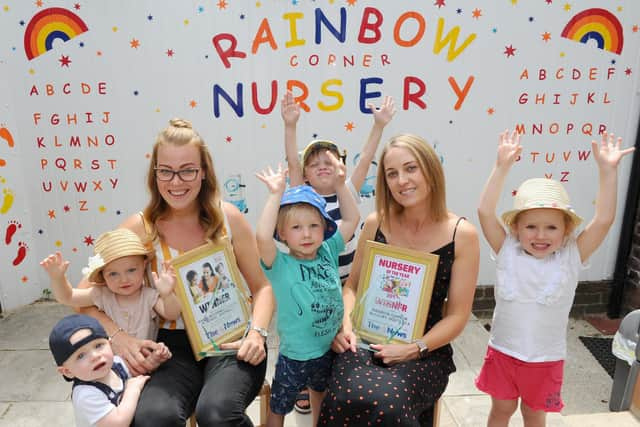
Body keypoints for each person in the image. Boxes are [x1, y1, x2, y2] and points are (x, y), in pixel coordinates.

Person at [78, 118, 275, 427]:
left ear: (204, 172)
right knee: (154, 418)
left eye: (187, 170)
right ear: (154, 173)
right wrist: (121, 338)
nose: (176, 181)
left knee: (218, 413)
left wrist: (257, 333)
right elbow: (81, 298)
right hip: (170, 345)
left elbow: (262, 288)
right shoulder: (139, 227)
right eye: (166, 171)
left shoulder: (229, 219)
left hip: (230, 337)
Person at [475, 130, 634, 427]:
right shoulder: (508, 249)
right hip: (503, 352)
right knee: (501, 411)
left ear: (566, 231)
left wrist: (608, 171)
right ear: (516, 229)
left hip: (544, 359)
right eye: (531, 226)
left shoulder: (571, 256)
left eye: (551, 227)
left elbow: (604, 220)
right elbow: (485, 211)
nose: (540, 235)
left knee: (534, 415)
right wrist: (501, 168)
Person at [318, 134, 480, 426]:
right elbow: (352, 287)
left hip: (425, 348)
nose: (401, 180)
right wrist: (346, 326)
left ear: (431, 169)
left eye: (411, 168)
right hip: (366, 338)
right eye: (392, 174)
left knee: (389, 403)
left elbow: (457, 315)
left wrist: (413, 348)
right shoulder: (376, 222)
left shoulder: (462, 235)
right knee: (343, 396)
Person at [281, 90, 395, 413]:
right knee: (312, 332)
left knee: (341, 332)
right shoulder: (301, 196)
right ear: (304, 174)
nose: (321, 167)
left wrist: (379, 126)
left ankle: (337, 376)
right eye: (313, 164)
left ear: (341, 168)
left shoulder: (350, 193)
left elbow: (365, 157)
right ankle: (307, 381)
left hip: (347, 280)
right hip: (312, 283)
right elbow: (292, 161)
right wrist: (290, 127)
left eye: (329, 162)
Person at [255, 159, 359, 427]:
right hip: (294, 356)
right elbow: (262, 238)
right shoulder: (280, 265)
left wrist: (339, 185)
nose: (306, 234)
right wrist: (275, 195)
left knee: (321, 400)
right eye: (296, 227)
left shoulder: (327, 250)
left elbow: (351, 218)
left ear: (324, 229)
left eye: (314, 226)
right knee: (278, 408)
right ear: (283, 234)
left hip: (328, 349)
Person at [41, 228, 181, 342]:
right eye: (113, 274)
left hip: (144, 360)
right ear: (103, 275)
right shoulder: (102, 294)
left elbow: (172, 314)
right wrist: (58, 278)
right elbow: (68, 297)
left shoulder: (149, 296)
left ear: (144, 266)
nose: (123, 279)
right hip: (109, 363)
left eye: (131, 270)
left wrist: (167, 294)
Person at [49, 314, 150, 427]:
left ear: (110, 345)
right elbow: (118, 423)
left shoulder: (118, 364)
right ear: (68, 371)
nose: (95, 356)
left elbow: (139, 373)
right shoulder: (86, 395)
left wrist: (152, 361)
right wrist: (133, 390)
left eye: (98, 346)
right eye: (81, 355)